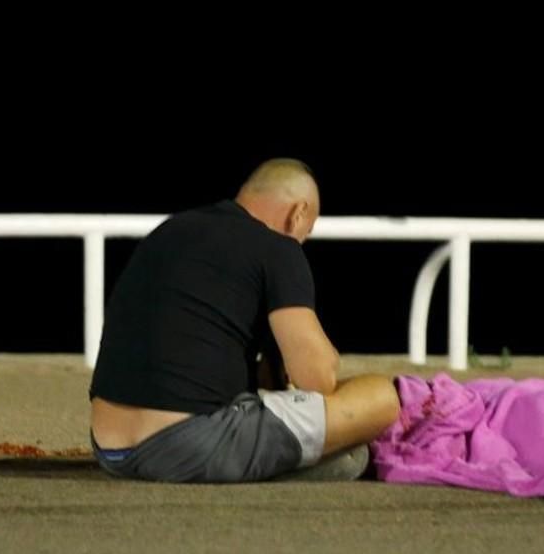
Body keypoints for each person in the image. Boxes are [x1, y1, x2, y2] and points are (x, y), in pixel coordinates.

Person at [88, 158, 401, 482]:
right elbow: (317, 381)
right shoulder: (278, 248)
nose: (302, 242)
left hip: (110, 449)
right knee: (381, 397)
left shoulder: (171, 229)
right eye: (307, 233)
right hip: (189, 444)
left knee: (333, 446)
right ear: (298, 214)